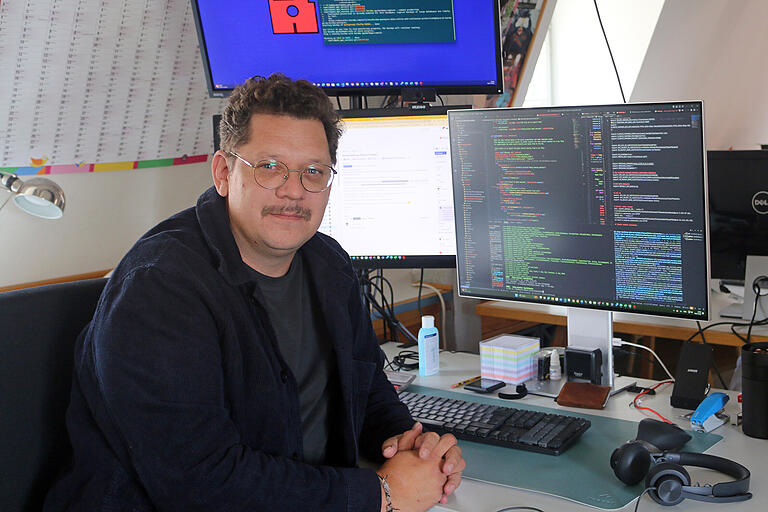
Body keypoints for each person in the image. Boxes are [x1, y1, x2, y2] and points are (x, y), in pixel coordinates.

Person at [45, 74, 465, 511]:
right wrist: (380, 495)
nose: (293, 190)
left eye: (313, 172)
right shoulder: (160, 288)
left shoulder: (329, 263)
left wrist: (412, 446)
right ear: (224, 173)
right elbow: (199, 481)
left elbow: (367, 388)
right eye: (269, 167)